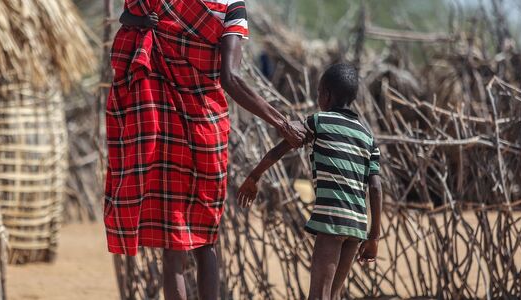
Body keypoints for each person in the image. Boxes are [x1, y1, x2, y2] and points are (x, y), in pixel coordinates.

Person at [104, 0, 306, 300]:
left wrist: (149, 24)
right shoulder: (232, 7)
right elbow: (231, 78)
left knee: (174, 249)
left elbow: (128, 16)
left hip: (165, 127)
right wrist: (281, 122)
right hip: (206, 133)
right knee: (205, 242)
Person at [237, 63, 383, 300]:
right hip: (357, 225)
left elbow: (278, 151)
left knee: (318, 295)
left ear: (326, 94)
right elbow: (375, 189)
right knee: (333, 295)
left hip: (331, 219)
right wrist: (374, 237)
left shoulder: (318, 122)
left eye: (318, 94)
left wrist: (254, 176)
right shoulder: (368, 137)